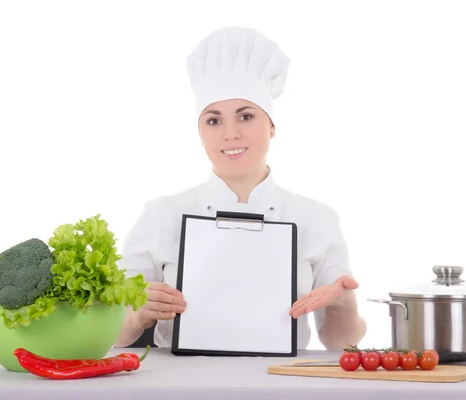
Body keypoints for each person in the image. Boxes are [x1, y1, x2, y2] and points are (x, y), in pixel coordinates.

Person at [114, 26, 367, 351]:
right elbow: (111, 337)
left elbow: (338, 342)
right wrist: (137, 316)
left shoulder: (317, 219)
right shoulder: (160, 215)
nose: (230, 134)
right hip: (176, 386)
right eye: (214, 120)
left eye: (246, 116)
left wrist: (344, 302)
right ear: (200, 132)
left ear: (272, 126)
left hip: (282, 383)